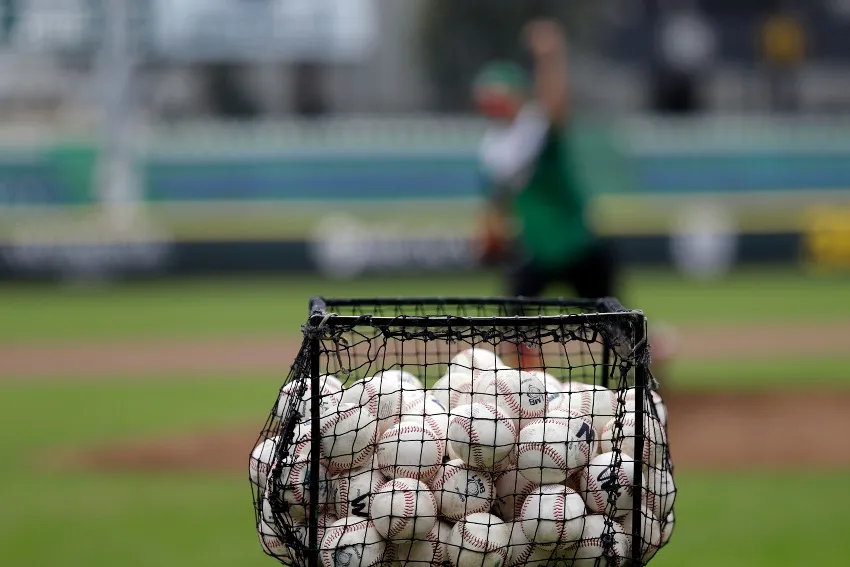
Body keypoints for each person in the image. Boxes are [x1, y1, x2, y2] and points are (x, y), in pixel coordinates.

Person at [473, 20, 675, 381]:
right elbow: (497, 199)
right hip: (537, 247)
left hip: (578, 240)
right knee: (512, 324)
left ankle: (653, 364)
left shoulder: (534, 127)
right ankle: (526, 390)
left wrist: (551, 57)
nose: (493, 104)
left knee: (615, 323)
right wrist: (490, 231)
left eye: (498, 95)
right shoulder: (492, 147)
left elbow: (555, 104)